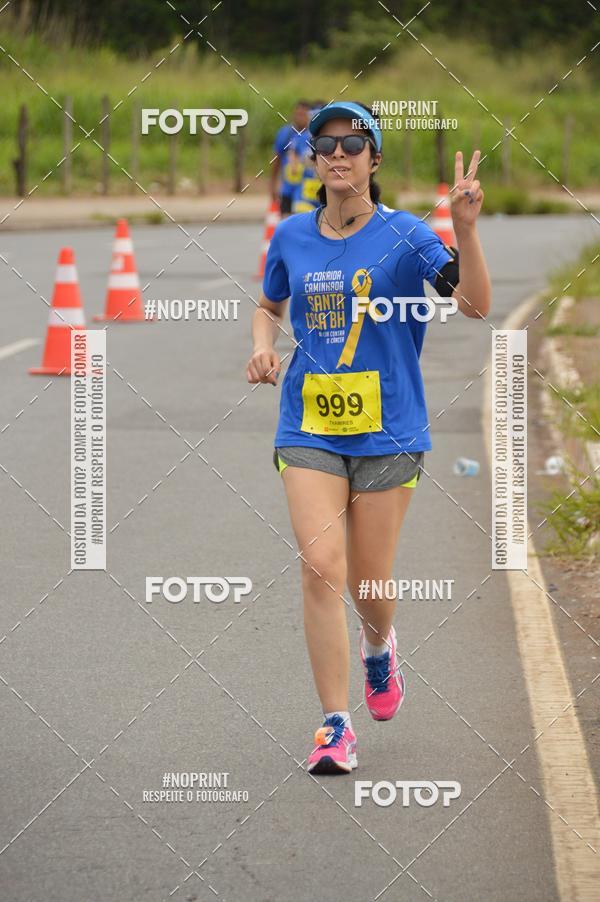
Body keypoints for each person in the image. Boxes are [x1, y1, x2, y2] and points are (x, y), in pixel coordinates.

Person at [247, 101, 491, 775]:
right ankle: (334, 724)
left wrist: (466, 233)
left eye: (353, 142)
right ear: (314, 158)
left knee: (370, 581)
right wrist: (263, 347)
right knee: (321, 566)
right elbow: (268, 305)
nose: (338, 153)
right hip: (310, 428)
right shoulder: (293, 237)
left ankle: (380, 646)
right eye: (326, 143)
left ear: (373, 159)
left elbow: (472, 305)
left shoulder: (407, 235)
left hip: (390, 431)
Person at [271, 100, 312, 217]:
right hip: (287, 189)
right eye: (297, 114)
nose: (300, 118)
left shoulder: (314, 136)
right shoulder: (285, 134)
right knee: (286, 221)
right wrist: (273, 186)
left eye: (303, 115)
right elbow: (276, 160)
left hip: (306, 192)